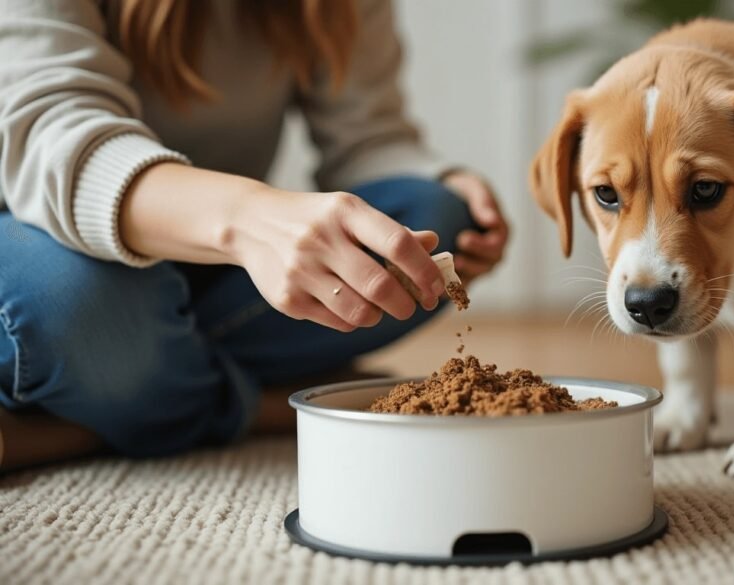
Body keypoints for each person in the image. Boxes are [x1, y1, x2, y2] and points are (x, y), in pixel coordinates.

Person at [0, 0, 509, 470]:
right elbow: (52, 134)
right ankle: (259, 405)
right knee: (81, 305)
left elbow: (367, 136)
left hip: (208, 269)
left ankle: (94, 408)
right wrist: (249, 219)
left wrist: (446, 179)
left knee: (436, 218)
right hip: (41, 236)